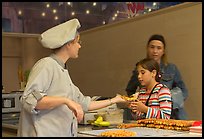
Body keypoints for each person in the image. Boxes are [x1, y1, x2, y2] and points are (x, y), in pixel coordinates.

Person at [17, 18, 126, 137]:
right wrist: (66, 101)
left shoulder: (63, 71)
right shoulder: (46, 64)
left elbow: (85, 104)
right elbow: (30, 100)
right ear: (69, 44)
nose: (79, 46)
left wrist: (115, 100)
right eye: (77, 42)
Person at [126, 34, 188, 120]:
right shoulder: (142, 90)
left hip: (172, 114)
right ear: (147, 49)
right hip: (148, 118)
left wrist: (169, 102)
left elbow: (183, 90)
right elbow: (130, 89)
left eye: (159, 48)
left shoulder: (171, 69)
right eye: (152, 47)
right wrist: (134, 103)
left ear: (163, 51)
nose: (155, 51)